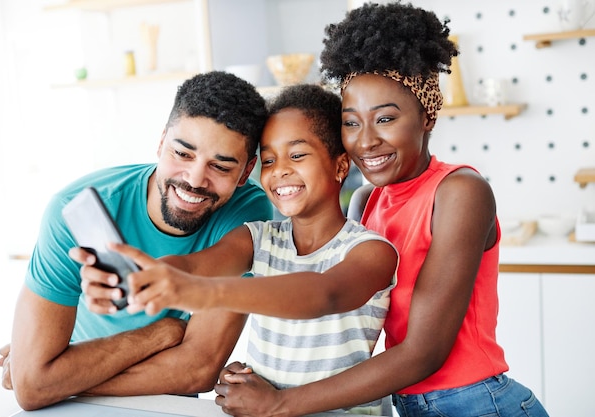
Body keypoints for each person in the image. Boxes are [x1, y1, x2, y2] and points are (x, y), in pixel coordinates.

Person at [206, 3, 548, 417]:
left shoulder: (460, 191)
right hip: (407, 404)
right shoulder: (367, 200)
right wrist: (264, 374)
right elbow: (336, 318)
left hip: (477, 402)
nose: (365, 142)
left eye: (385, 119)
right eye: (351, 123)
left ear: (427, 116)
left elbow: (424, 352)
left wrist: (281, 403)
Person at [80, 84, 399, 415]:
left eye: (297, 155)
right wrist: (139, 276)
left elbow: (323, 294)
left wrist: (203, 293)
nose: (280, 171)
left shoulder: (371, 251)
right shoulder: (257, 239)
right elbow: (195, 266)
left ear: (340, 166)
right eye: (269, 160)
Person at [0, 71, 273, 411]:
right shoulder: (72, 207)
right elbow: (32, 388)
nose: (195, 180)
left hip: (165, 405)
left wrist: (57, 380)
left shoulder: (249, 215)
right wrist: (164, 334)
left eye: (220, 166)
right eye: (183, 154)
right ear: (161, 142)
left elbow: (196, 371)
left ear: (246, 172)